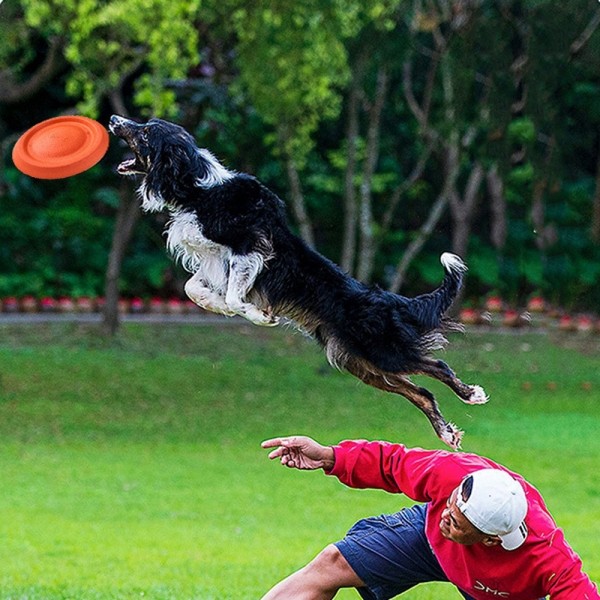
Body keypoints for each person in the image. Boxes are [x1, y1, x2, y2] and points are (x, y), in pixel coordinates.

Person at [260, 435, 599, 600]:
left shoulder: (546, 557)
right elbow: (391, 463)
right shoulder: (453, 475)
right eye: (451, 504)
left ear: (491, 538)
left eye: (457, 520)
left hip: (499, 589)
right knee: (332, 563)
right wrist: (330, 457)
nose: (447, 515)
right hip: (428, 543)